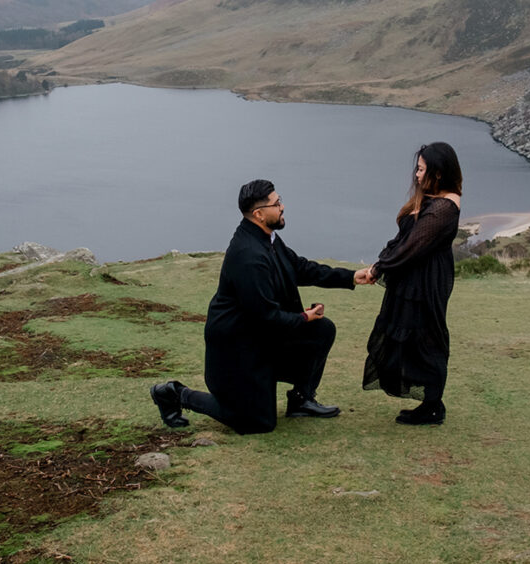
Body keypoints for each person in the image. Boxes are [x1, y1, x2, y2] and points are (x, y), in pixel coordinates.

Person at [150, 179, 374, 434]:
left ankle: (301, 400)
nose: (282, 207)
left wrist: (351, 277)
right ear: (258, 214)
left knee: (322, 330)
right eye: (276, 203)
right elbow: (266, 317)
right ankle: (175, 394)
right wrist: (304, 317)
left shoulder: (267, 238)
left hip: (262, 337)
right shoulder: (249, 256)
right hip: (238, 349)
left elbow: (298, 267)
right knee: (257, 422)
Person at [357, 142, 462, 425]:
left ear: (437, 173)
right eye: (417, 168)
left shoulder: (445, 207)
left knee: (427, 337)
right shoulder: (431, 199)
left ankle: (433, 405)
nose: (416, 175)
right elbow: (403, 239)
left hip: (427, 281)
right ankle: (429, 403)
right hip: (412, 278)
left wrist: (380, 267)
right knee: (410, 337)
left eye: (421, 169)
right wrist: (383, 260)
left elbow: (413, 246)